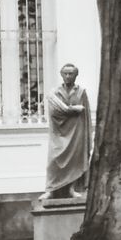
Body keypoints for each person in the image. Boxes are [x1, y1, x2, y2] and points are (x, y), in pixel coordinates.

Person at [42, 63, 90, 201]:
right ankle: (51, 189)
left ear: (76, 75)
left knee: (75, 160)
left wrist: (73, 111)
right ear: (61, 75)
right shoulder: (55, 92)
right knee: (54, 160)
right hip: (59, 131)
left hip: (76, 131)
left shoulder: (81, 92)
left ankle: (71, 188)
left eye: (71, 73)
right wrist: (72, 110)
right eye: (65, 73)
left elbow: (84, 113)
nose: (68, 76)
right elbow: (54, 112)